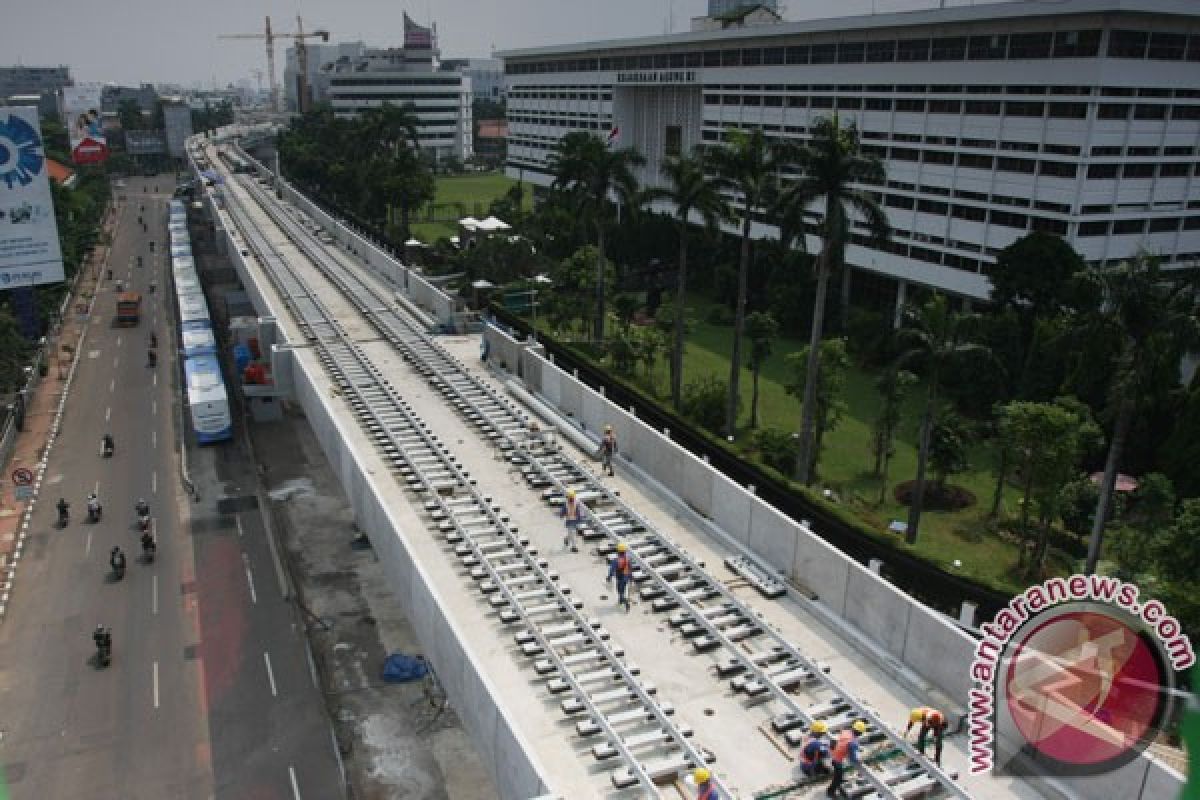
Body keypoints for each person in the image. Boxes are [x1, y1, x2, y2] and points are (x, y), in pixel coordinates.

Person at [826, 720, 866, 798]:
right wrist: (861, 760)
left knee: (839, 775)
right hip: (837, 760)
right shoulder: (853, 742)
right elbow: (853, 758)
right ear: (860, 733)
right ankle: (830, 792)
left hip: (833, 754)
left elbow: (843, 742)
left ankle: (840, 781)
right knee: (837, 777)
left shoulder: (846, 732)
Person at [606, 541, 633, 612]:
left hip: (620, 578)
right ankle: (621, 601)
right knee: (623, 590)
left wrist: (609, 577)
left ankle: (626, 602)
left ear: (618, 551)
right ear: (624, 551)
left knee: (620, 591)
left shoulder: (616, 560)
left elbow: (612, 570)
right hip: (626, 578)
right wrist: (631, 578)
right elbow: (630, 569)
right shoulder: (628, 559)